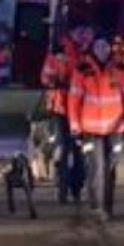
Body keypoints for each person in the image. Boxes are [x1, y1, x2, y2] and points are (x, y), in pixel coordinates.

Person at [69, 36, 124, 221]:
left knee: (110, 168)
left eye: (105, 45)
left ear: (111, 48)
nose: (102, 49)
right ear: (93, 48)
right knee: (95, 168)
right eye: (99, 45)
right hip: (90, 129)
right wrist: (75, 127)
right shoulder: (82, 70)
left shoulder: (121, 69)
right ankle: (96, 207)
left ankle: (108, 206)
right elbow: (74, 99)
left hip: (115, 129)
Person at [41, 23, 93, 203]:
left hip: (83, 110)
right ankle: (61, 187)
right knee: (62, 149)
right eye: (80, 31)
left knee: (81, 151)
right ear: (72, 32)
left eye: (87, 31)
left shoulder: (90, 54)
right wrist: (57, 81)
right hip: (61, 108)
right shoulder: (58, 52)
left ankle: (77, 186)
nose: (84, 35)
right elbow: (46, 77)